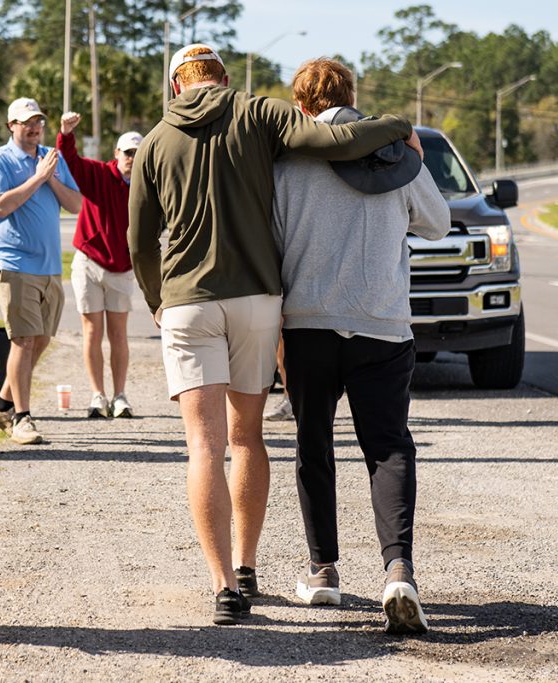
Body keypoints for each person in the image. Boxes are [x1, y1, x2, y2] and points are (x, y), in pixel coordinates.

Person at [128, 43, 419, 625]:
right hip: (257, 300)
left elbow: (139, 237)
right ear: (221, 78)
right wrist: (398, 124)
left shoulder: (156, 139)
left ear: (176, 85)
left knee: (204, 446)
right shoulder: (257, 111)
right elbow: (335, 140)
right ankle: (246, 565)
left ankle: (222, 590)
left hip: (189, 303)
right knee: (247, 437)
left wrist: (158, 299)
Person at [271, 57, 449, 634]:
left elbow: (272, 238)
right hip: (382, 324)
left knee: (314, 447)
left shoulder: (289, 160)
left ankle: (323, 574)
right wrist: (416, 164)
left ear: (302, 106)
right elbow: (439, 224)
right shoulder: (396, 154)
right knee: (389, 448)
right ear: (354, 95)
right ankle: (398, 571)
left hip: (309, 324)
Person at [0, 97, 83, 444]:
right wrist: (38, 178)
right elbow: (0, 205)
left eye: (38, 121)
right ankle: (22, 418)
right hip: (12, 261)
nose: (34, 127)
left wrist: (50, 177)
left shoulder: (52, 159)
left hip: (49, 265)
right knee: (23, 340)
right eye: (26, 122)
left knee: (40, 340)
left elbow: (76, 205)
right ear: (12, 125)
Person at [56, 112, 141, 419]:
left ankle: (119, 395)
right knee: (92, 331)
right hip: (90, 262)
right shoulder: (100, 175)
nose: (132, 158)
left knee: (119, 334)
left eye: (137, 153)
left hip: (122, 267)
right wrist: (66, 134)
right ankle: (97, 395)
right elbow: (71, 161)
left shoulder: (145, 185)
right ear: (116, 154)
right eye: (127, 152)